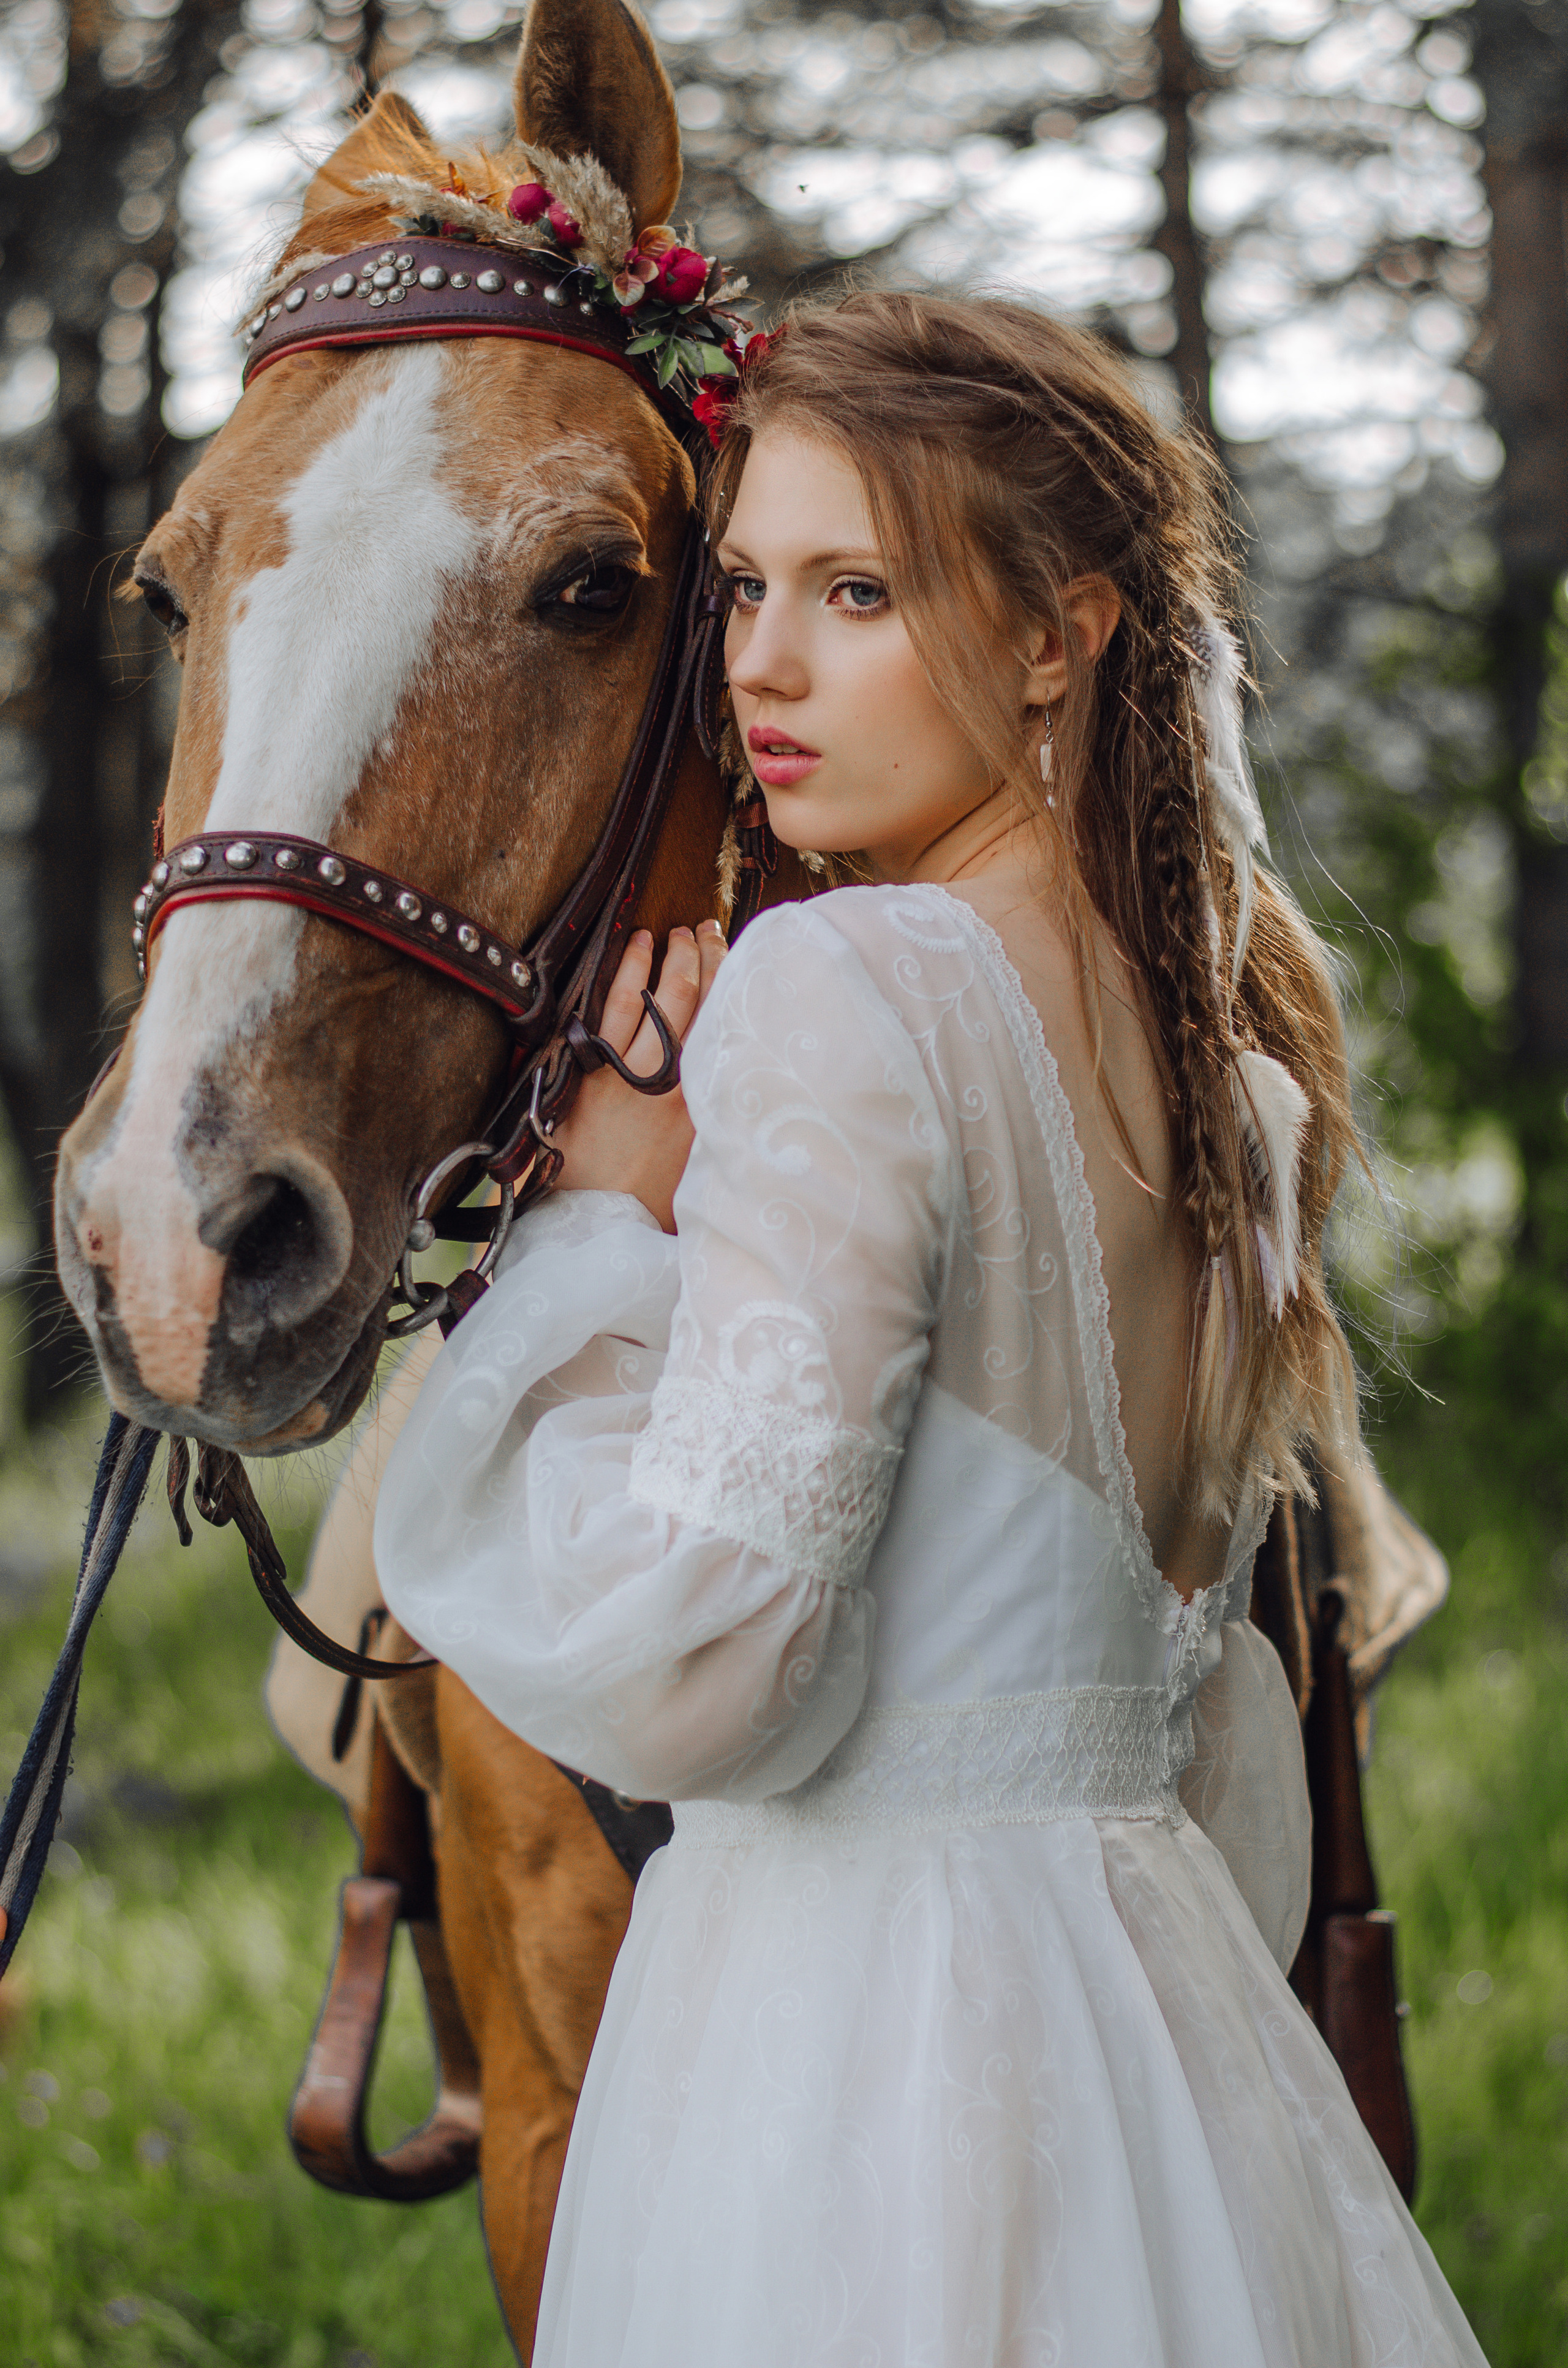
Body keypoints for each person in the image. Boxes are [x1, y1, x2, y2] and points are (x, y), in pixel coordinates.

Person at [374, 290, 1487, 2366]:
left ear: (1062, 636)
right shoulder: (1229, 1068)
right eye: (744, 588)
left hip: (854, 2025)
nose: (763, 666)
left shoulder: (846, 988)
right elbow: (1212, 1715)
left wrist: (604, 1229)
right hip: (1158, 2018)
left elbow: (703, 1659)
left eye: (858, 592)